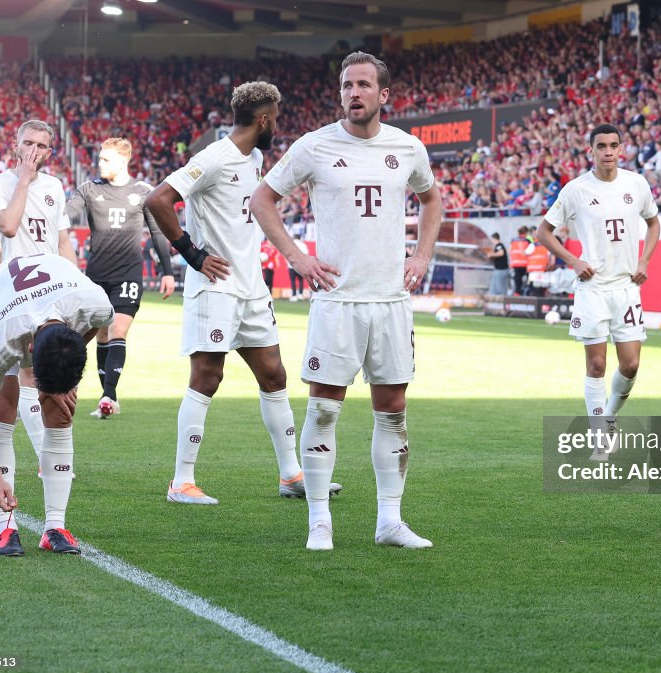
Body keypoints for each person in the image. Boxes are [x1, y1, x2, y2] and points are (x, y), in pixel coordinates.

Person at [250, 51, 442, 551]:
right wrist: (296, 257)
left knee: (393, 410)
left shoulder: (408, 147)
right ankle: (319, 521)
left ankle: (389, 522)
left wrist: (422, 254)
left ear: (383, 94)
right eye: (346, 85)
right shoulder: (314, 146)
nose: (353, 93)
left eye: (363, 85)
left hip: (391, 301)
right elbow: (262, 199)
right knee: (323, 410)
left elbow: (432, 199)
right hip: (337, 302)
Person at [146, 81, 337, 505]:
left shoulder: (255, 158)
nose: (277, 126)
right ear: (264, 120)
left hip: (251, 289)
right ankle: (181, 482)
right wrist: (193, 255)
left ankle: (291, 475)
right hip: (215, 287)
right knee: (207, 376)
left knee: (274, 374)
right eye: (277, 119)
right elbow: (158, 199)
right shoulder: (214, 157)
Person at [0, 253, 114, 556]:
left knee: (60, 409)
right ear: (30, 350)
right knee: (3, 405)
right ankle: (5, 527)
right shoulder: (4, 340)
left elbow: (90, 332)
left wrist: (60, 382)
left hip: (54, 295)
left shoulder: (96, 304)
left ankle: (55, 527)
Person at [536, 124, 660, 461]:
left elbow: (653, 222)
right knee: (597, 365)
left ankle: (609, 417)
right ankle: (599, 436)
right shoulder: (576, 190)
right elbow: (543, 232)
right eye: (601, 146)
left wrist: (644, 260)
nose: (608, 151)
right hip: (592, 289)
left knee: (631, 365)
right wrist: (573, 260)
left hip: (627, 288)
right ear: (590, 150)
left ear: (621, 149)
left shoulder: (636, 184)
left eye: (613, 145)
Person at [0, 120, 77, 478]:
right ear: (15, 145)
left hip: (51, 290)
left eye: (42, 145)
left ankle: (44, 456)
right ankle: (42, 456)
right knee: (15, 384)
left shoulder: (54, 186)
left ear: (50, 152)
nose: (34, 150)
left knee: (39, 374)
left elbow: (62, 241)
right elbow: (8, 226)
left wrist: (75, 285)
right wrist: (23, 180)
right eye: (28, 143)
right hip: (15, 290)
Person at [66, 137, 176, 418]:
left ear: (123, 160)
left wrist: (167, 272)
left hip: (128, 274)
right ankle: (107, 399)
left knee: (118, 329)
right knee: (100, 334)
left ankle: (108, 395)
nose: (100, 163)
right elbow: (64, 217)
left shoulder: (143, 192)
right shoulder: (88, 189)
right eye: (100, 158)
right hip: (95, 277)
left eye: (106, 159)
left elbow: (158, 233)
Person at [509, 227, 530, 295]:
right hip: (525, 264)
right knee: (528, 279)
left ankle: (517, 293)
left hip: (516, 264)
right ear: (525, 233)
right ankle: (528, 292)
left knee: (517, 280)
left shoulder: (513, 241)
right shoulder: (527, 241)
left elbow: (510, 251)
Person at [288, 234, 308, 301]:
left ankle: (294, 295)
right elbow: (306, 254)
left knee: (293, 281)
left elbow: (287, 255)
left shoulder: (290, 244)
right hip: (300, 266)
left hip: (291, 265)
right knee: (301, 280)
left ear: (294, 237)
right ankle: (300, 294)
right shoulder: (303, 245)